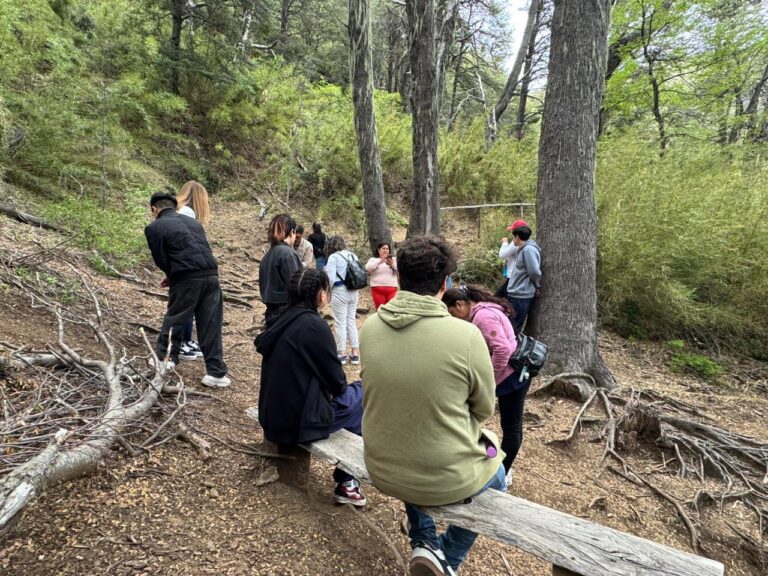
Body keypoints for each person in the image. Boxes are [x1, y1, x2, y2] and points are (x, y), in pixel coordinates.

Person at [360, 236, 506, 576]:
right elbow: (483, 410)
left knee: (415, 436)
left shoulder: (371, 328)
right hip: (440, 474)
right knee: (497, 471)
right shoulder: (465, 336)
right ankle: (448, 557)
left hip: (382, 463)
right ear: (445, 284)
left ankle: (424, 542)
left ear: (400, 279)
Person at [254, 268, 367, 506]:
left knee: (355, 395)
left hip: (271, 414)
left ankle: (347, 480)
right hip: (298, 422)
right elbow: (337, 383)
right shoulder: (314, 326)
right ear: (320, 295)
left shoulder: (279, 319)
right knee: (363, 395)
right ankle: (347, 481)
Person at [442, 285, 530, 480]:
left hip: (512, 378)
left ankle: (503, 473)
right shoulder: (479, 312)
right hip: (508, 376)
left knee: (511, 427)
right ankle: (489, 456)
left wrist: (488, 378)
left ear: (460, 304)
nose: (453, 317)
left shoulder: (483, 317)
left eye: (452, 312)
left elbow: (502, 350)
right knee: (470, 416)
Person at [144, 191, 231, 388]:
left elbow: (161, 258)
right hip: (211, 276)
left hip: (186, 278)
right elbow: (199, 249)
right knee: (210, 325)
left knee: (175, 318)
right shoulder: (194, 223)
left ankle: (166, 359)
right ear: (174, 207)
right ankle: (216, 373)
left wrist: (172, 273)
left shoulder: (154, 227)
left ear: (153, 209)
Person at [175, 180, 212, 361]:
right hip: (187, 268)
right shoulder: (186, 213)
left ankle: (186, 339)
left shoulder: (181, 211)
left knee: (189, 304)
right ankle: (180, 342)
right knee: (186, 305)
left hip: (184, 267)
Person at [259, 214, 302, 326]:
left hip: (271, 313)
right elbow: (298, 285)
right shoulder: (288, 254)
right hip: (287, 313)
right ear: (292, 232)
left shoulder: (267, 256)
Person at [324, 236, 361, 365]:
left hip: (340, 291)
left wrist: (327, 290)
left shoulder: (333, 258)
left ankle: (341, 353)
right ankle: (355, 352)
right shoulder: (353, 255)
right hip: (354, 291)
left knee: (340, 322)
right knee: (351, 320)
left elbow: (330, 279)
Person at [505, 224, 541, 334]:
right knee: (510, 324)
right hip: (515, 293)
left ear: (517, 237)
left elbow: (534, 271)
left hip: (521, 295)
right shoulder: (524, 249)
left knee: (514, 326)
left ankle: (511, 349)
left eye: (513, 237)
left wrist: (537, 285)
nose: (513, 240)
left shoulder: (528, 250)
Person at [495, 219, 527, 298]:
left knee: (498, 297)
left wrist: (505, 243)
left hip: (513, 276)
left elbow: (502, 255)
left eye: (513, 230)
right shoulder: (526, 242)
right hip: (517, 276)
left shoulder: (516, 243)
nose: (512, 233)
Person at [365, 241, 398, 309]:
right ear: (378, 250)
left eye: (387, 249)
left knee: (391, 310)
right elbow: (368, 268)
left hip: (392, 289)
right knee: (380, 311)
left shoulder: (394, 260)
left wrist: (392, 264)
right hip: (377, 290)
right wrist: (380, 261)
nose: (385, 250)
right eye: (383, 248)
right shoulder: (373, 260)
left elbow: (401, 270)